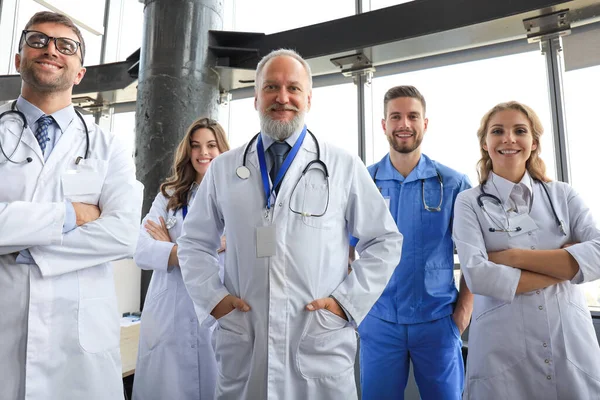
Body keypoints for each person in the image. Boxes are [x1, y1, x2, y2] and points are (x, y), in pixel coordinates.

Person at [177, 48, 403, 400]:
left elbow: (385, 241)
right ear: (255, 98)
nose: (282, 98)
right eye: (271, 87)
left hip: (316, 340)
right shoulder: (224, 168)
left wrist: (345, 303)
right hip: (245, 339)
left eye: (293, 89)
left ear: (309, 98)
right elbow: (193, 243)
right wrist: (215, 300)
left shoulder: (341, 165)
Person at [0, 11, 143, 400]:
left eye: (66, 46)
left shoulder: (108, 146)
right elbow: (101, 228)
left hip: (78, 346)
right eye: (38, 40)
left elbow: (123, 233)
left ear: (80, 72)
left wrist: (22, 242)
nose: (51, 50)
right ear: (18, 59)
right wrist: (71, 214)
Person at [453, 101, 600, 399]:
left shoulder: (563, 195)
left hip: (567, 340)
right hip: (502, 348)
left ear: (533, 143)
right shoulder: (468, 202)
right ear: (485, 143)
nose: (509, 138)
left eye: (519, 130)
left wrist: (516, 259)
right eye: (498, 131)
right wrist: (565, 264)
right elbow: (479, 277)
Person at [349, 85, 473, 399]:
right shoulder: (365, 182)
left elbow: (474, 257)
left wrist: (461, 317)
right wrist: (356, 307)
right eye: (396, 116)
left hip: (438, 323)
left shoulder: (454, 184)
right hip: (378, 324)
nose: (404, 123)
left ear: (425, 123)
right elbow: (341, 249)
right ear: (384, 125)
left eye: (412, 116)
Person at [132, 117, 229, 400]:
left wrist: (172, 248)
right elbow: (141, 250)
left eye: (211, 145)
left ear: (223, 150)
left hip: (216, 307)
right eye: (196, 146)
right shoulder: (169, 196)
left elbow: (242, 247)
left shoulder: (236, 195)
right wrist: (204, 249)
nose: (203, 153)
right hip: (170, 313)